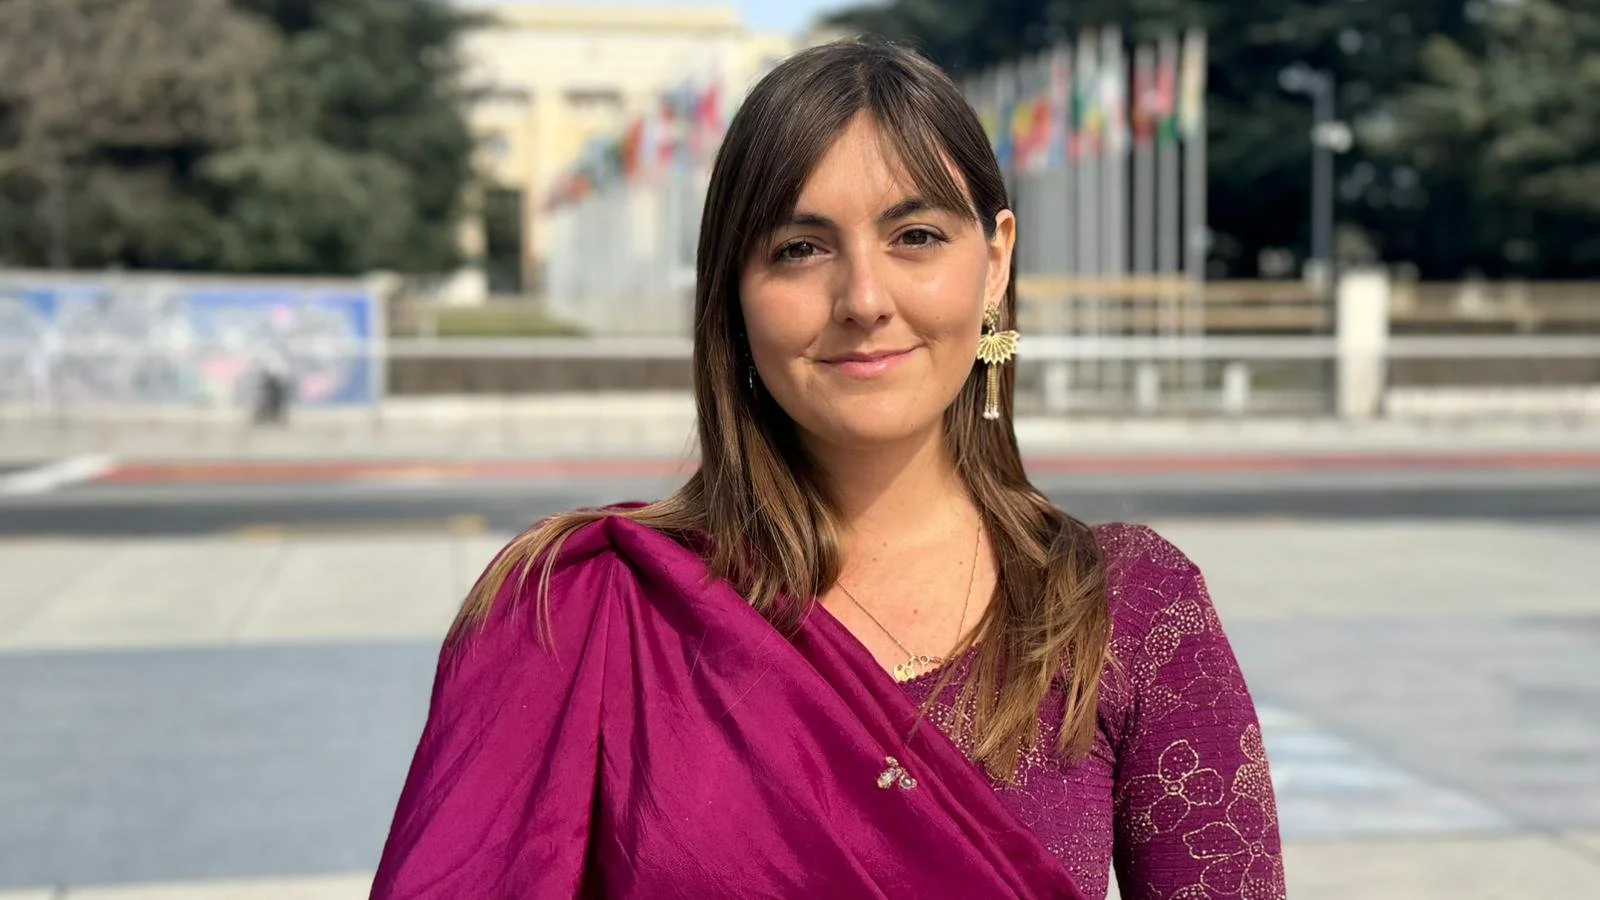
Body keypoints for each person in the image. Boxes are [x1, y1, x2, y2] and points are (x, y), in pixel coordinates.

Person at [371, 39, 1285, 900]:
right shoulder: (576, 605)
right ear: (733, 292)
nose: (863, 300)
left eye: (915, 235)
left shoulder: (1125, 610)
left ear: (995, 262)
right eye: (799, 249)